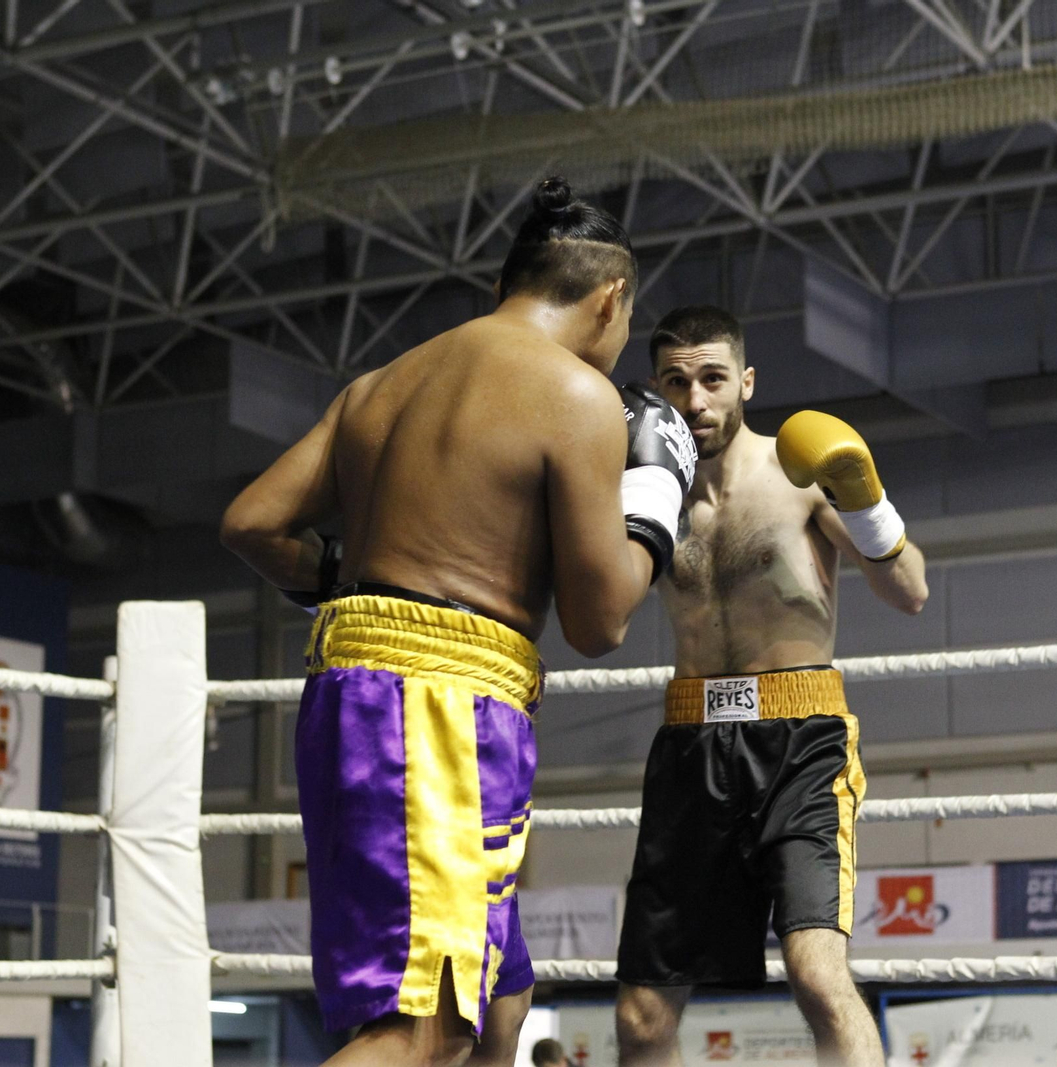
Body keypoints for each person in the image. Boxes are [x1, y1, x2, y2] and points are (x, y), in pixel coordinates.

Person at [221, 178, 696, 1067]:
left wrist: (343, 575)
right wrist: (656, 504)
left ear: (504, 289)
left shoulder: (378, 387)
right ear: (611, 298)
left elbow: (252, 522)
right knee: (421, 1026)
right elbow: (600, 622)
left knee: (503, 998)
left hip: (353, 688)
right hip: (440, 708)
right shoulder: (577, 394)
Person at [613, 305, 929, 1066]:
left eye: (714, 378)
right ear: (656, 386)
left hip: (799, 742)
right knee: (642, 1015)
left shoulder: (802, 479)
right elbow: (605, 619)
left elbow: (911, 590)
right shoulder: (648, 491)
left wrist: (865, 496)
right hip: (691, 744)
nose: (696, 401)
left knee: (818, 975)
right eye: (676, 381)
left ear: (746, 380)